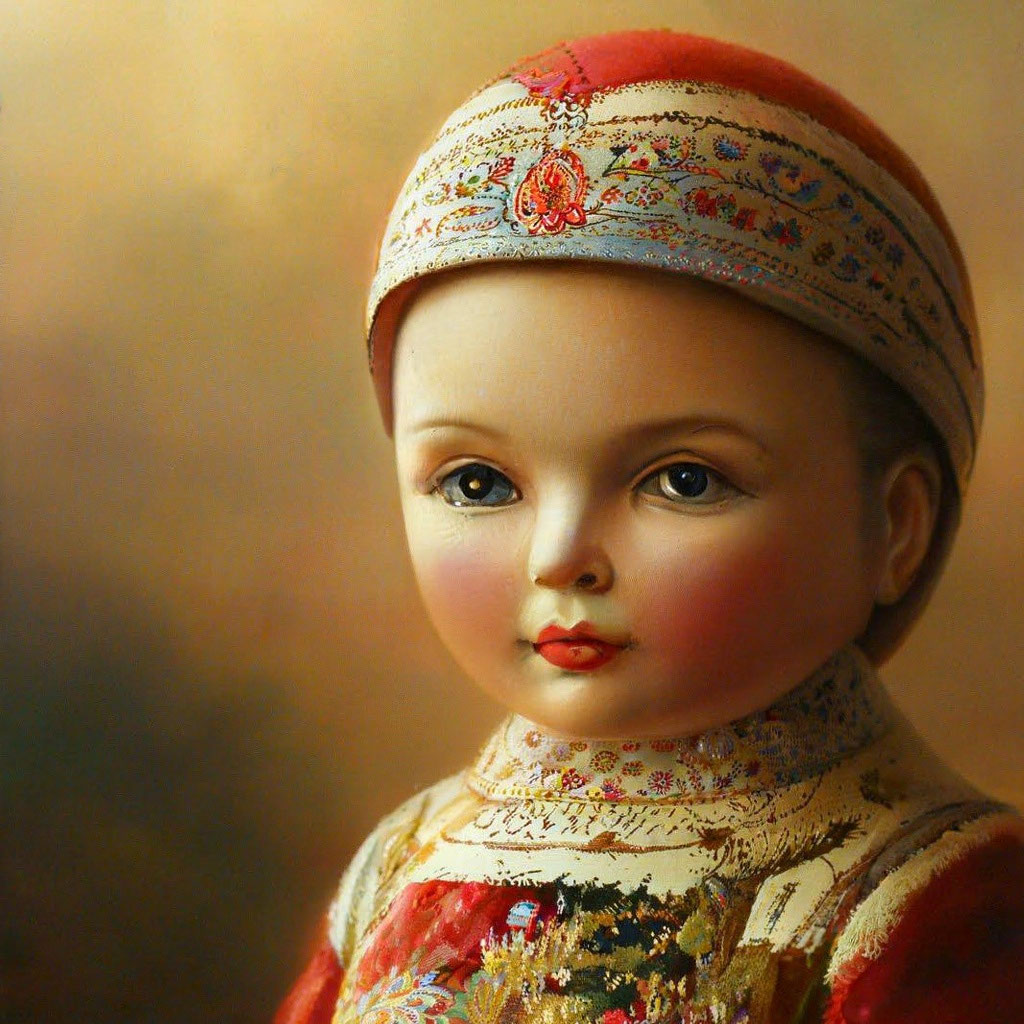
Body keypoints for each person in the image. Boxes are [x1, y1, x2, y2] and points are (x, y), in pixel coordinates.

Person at [275, 30, 1024, 1024]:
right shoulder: (401, 863)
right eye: (478, 483)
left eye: (682, 480)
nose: (560, 558)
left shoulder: (930, 900)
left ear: (894, 526)